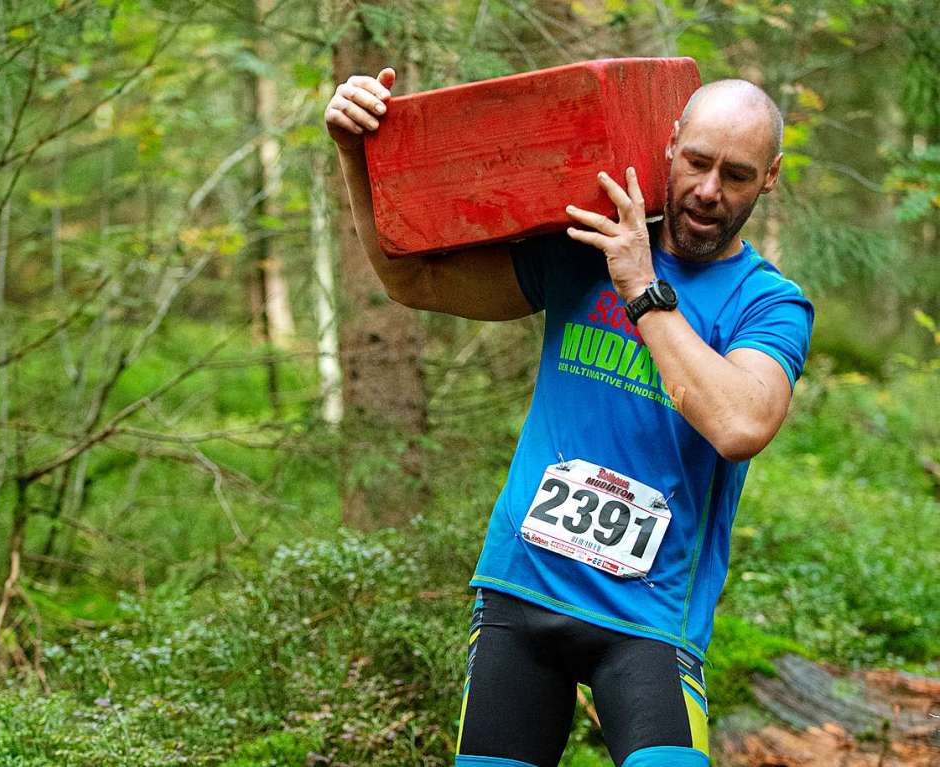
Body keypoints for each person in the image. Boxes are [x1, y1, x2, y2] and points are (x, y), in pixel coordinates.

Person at [325, 66, 813, 767]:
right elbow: (414, 278)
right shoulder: (583, 242)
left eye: (735, 175)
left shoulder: (768, 302)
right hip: (522, 590)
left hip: (649, 616)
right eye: (698, 162)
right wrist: (354, 153)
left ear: (769, 178)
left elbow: (741, 424)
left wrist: (643, 286)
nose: (709, 191)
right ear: (670, 143)